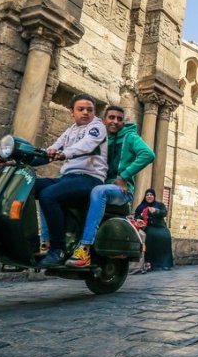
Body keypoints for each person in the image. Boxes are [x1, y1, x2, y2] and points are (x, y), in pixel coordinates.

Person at [66, 106, 155, 267]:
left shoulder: (130, 137)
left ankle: (84, 248)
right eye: (111, 118)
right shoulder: (100, 137)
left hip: (120, 191)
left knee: (99, 191)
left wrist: (124, 176)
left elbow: (148, 154)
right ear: (103, 120)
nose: (115, 122)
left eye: (119, 119)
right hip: (98, 185)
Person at [35, 94, 108, 267]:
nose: (85, 113)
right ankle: (37, 239)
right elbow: (50, 151)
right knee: (30, 186)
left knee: (48, 195)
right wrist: (15, 159)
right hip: (68, 178)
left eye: (89, 110)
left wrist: (64, 153)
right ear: (72, 112)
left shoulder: (97, 127)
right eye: (80, 109)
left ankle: (57, 249)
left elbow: (87, 145)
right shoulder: (69, 131)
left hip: (90, 178)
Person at [134, 188, 173, 271]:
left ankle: (165, 263)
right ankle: (149, 263)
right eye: (147, 195)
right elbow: (135, 217)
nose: (149, 196)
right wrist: (141, 215)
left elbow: (164, 213)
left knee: (166, 236)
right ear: (145, 197)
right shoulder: (140, 207)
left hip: (160, 227)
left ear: (154, 196)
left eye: (151, 195)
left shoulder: (159, 205)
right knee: (150, 236)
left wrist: (156, 211)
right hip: (148, 227)